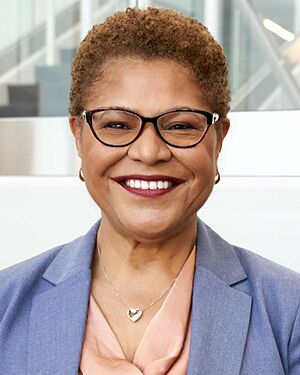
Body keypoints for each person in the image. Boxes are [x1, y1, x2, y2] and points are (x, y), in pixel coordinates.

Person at [0, 6, 299, 375]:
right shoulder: (4, 305)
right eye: (117, 124)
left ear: (218, 140)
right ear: (78, 135)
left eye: (180, 126)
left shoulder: (289, 314)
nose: (149, 152)